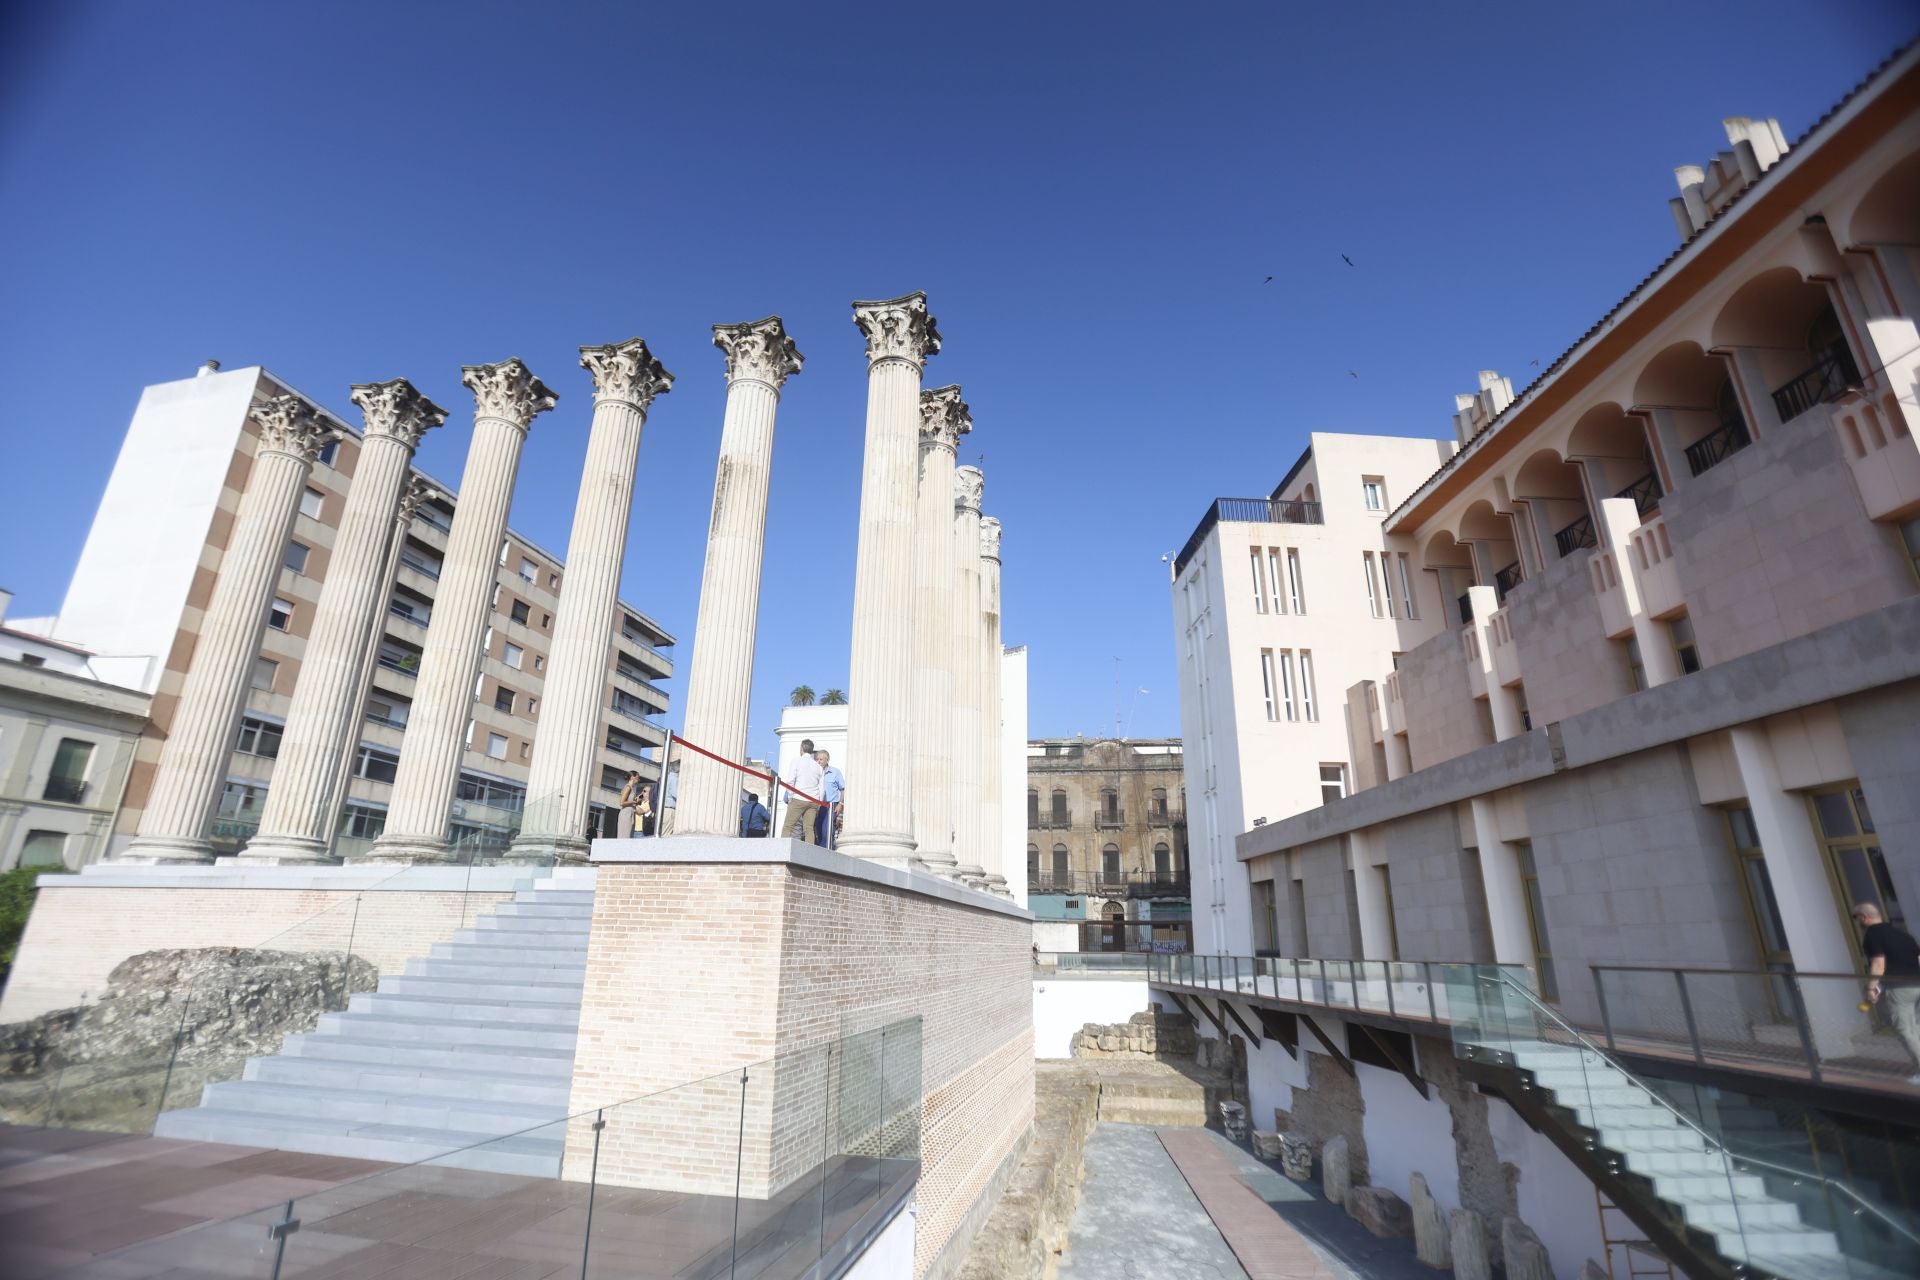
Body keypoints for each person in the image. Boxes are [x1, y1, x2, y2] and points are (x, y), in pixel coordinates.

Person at [1857, 901, 1920, 1082]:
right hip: (1917, 984)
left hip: (1900, 989)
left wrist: (1871, 988)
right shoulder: (1903, 934)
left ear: (1864, 917)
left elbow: (1878, 964)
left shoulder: (1873, 936)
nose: (1859, 922)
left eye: (1858, 918)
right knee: (1917, 1027)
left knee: (1906, 1030)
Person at [781, 740, 824, 844]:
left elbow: (790, 780)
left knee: (788, 826)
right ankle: (809, 855)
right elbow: (822, 788)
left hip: (798, 798)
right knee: (809, 829)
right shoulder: (818, 767)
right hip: (813, 800)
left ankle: (782, 851)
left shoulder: (796, 761)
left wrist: (791, 796)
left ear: (801, 749)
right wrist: (819, 804)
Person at [814, 749, 845, 848]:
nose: (818, 761)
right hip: (817, 805)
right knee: (817, 831)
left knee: (827, 832)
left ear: (827, 760)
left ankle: (826, 855)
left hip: (831, 806)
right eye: (817, 759)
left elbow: (843, 789)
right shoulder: (814, 772)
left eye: (821, 759)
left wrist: (841, 804)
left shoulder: (835, 772)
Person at [616, 773, 652, 839]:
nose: (639, 779)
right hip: (626, 814)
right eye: (638, 777)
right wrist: (634, 802)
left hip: (631, 817)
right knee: (624, 836)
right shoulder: (628, 787)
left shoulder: (632, 789)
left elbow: (640, 811)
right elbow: (621, 802)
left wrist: (635, 802)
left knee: (627, 837)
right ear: (632, 777)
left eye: (645, 791)